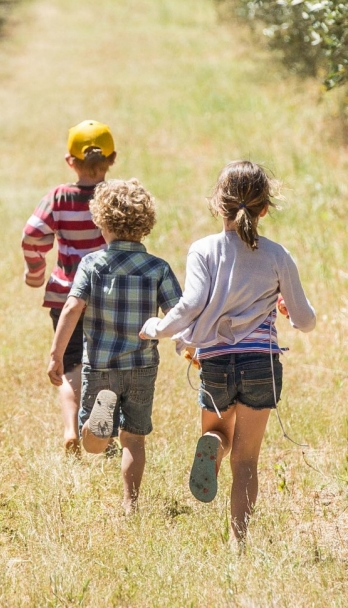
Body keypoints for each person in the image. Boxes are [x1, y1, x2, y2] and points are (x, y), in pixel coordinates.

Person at [140, 160, 316, 543]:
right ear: (265, 207)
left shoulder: (203, 250)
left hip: (216, 361)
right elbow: (305, 320)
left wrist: (157, 327)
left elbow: (189, 305)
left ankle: (214, 447)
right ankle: (239, 543)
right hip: (261, 364)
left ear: (218, 205)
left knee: (219, 432)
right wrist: (285, 308)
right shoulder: (277, 255)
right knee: (247, 460)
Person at [48, 179, 182, 513]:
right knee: (134, 438)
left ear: (101, 221)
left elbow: (72, 308)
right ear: (146, 223)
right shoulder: (158, 268)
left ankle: (97, 425)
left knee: (94, 443)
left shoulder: (93, 265)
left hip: (101, 365)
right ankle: (130, 504)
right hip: (142, 366)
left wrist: (56, 354)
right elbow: (179, 314)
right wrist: (189, 347)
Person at [22, 120, 117, 454]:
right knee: (107, 365)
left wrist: (36, 272)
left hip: (65, 296)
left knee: (70, 366)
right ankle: (104, 436)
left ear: (70, 161)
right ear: (112, 158)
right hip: (110, 297)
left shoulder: (59, 197)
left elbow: (33, 234)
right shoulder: (114, 197)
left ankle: (71, 429)